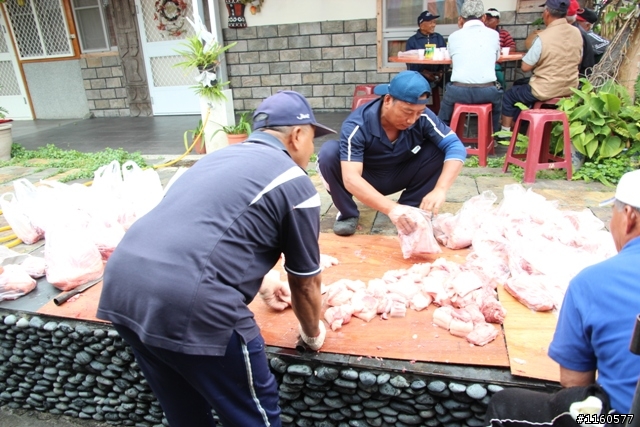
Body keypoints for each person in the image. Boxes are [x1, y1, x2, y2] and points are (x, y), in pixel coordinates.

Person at [96, 91, 335, 427]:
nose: (312, 151)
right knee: (252, 415)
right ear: (297, 135)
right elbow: (306, 281)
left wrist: (264, 279)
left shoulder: (213, 160)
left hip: (123, 287)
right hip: (192, 304)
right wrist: (312, 336)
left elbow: (202, 228)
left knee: (185, 411)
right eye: (313, 139)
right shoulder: (295, 182)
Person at [485, 169, 640, 424]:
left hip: (622, 420)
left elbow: (575, 384)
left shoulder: (593, 282)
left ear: (629, 217)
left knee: (506, 404)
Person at [317, 70, 466, 236]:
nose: (412, 120)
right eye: (407, 112)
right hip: (366, 178)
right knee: (329, 153)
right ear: (388, 100)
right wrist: (391, 208)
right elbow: (351, 179)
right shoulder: (357, 125)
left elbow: (455, 146)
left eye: (419, 112)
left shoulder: (423, 117)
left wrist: (440, 189)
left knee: (440, 148)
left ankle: (410, 207)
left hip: (400, 173)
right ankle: (348, 214)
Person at [499, 0, 582, 132]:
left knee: (510, 95)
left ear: (547, 12)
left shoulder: (543, 37)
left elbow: (525, 67)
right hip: (570, 87)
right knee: (520, 85)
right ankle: (523, 126)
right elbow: (579, 57)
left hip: (545, 89)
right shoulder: (576, 33)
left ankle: (504, 133)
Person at [438, 0, 502, 134]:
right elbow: (496, 58)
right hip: (487, 91)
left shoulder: (454, 36)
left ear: (461, 19)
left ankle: (442, 137)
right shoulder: (494, 35)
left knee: (444, 114)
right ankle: (492, 136)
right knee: (497, 105)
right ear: (484, 17)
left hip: (458, 91)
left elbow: (451, 59)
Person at [405, 11, 446, 89]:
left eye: (434, 22)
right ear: (421, 25)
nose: (434, 25)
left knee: (450, 83)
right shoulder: (412, 41)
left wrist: (441, 71)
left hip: (438, 74)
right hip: (420, 74)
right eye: (430, 22)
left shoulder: (439, 38)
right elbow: (410, 63)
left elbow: (445, 56)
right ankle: (421, 101)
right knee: (417, 84)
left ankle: (450, 101)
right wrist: (425, 73)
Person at [484, 7, 516, 89]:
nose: (487, 22)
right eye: (486, 19)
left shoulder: (503, 33)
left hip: (496, 63)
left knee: (497, 71)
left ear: (498, 21)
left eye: (490, 19)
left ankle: (502, 92)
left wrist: (501, 51)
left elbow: (512, 47)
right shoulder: (481, 33)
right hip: (483, 61)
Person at [565, 0, 596, 77]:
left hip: (580, 76)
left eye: (578, 21)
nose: (575, 21)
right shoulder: (577, 31)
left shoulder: (579, 34)